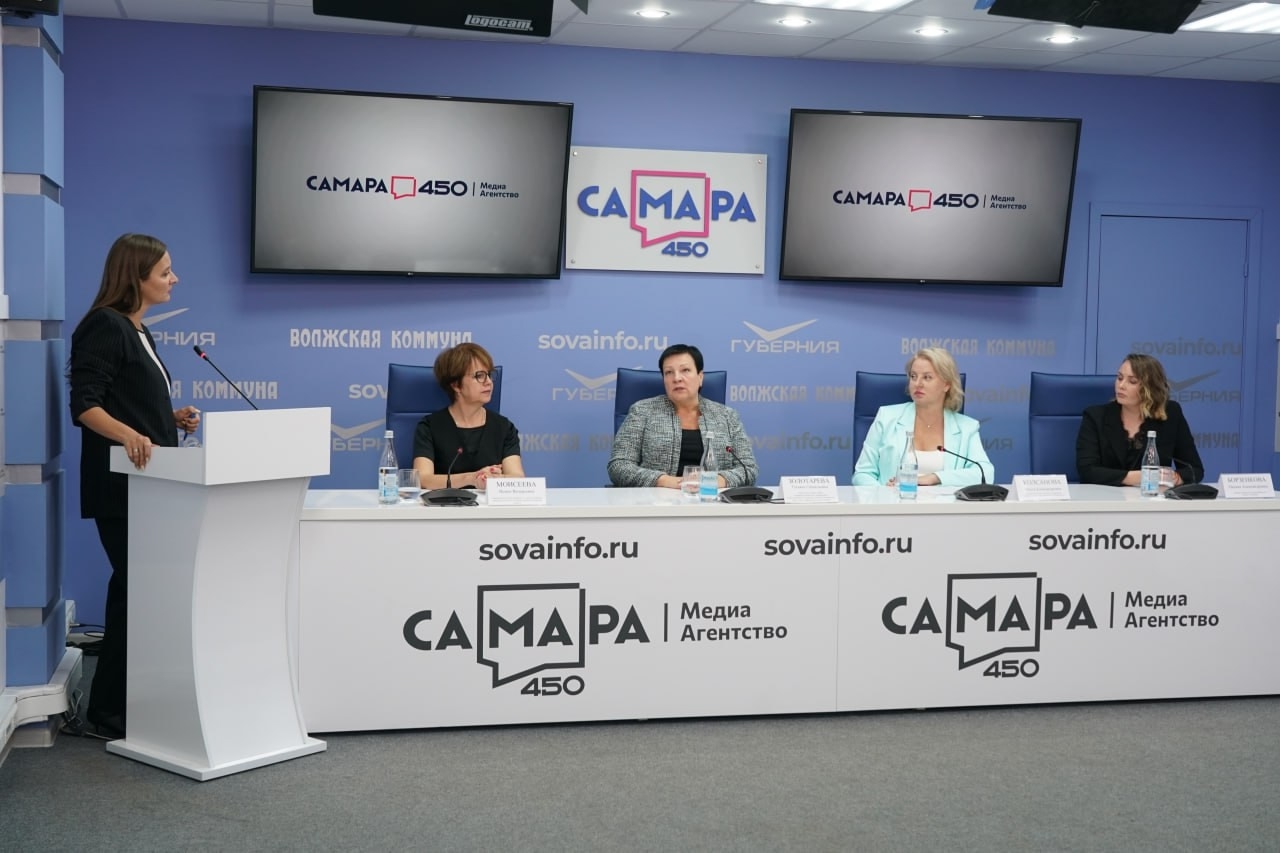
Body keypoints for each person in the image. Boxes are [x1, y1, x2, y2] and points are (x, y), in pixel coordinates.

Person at [68, 234, 202, 739]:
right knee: (136, 591)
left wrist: (169, 418)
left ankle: (119, 705)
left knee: (134, 592)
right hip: (123, 489)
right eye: (165, 272)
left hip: (150, 486)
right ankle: (110, 711)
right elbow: (86, 405)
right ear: (136, 277)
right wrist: (129, 435)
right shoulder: (105, 324)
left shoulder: (138, 329)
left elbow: (126, 401)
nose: (174, 279)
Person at [609, 343, 759, 488]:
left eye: (685, 370)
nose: (677, 378)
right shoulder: (642, 411)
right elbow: (619, 466)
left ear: (700, 377)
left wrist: (713, 481)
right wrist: (667, 481)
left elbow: (749, 469)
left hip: (711, 499)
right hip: (656, 500)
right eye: (669, 372)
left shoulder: (727, 416)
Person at [853, 347, 993, 487]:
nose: (918, 384)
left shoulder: (966, 428)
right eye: (913, 376)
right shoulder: (887, 417)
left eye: (927, 377)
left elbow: (985, 474)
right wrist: (883, 493)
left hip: (944, 501)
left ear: (946, 385)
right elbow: (862, 473)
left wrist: (934, 478)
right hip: (894, 500)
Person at [1076, 353, 1204, 487]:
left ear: (1150, 388)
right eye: (1119, 378)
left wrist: (1175, 477)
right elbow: (1087, 471)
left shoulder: (1171, 413)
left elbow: (1195, 469)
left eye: (1132, 381)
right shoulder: (1095, 416)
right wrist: (1141, 477)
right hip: (1106, 497)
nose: (1121, 385)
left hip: (1152, 497)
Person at [412, 342, 524, 490]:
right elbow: (423, 479)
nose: (489, 382)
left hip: (490, 505)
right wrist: (471, 478)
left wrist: (496, 479)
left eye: (489, 375)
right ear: (456, 385)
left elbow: (517, 478)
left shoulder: (504, 428)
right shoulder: (429, 427)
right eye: (479, 376)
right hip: (446, 503)